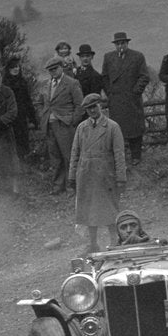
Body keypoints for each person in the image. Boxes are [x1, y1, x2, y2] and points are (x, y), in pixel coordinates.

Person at [69, 93, 127, 253]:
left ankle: (115, 240)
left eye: (94, 107)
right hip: (86, 175)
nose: (92, 111)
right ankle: (93, 243)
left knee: (109, 208)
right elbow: (75, 153)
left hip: (106, 176)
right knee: (88, 211)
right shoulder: (82, 128)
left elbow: (119, 154)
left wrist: (121, 178)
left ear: (100, 106)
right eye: (88, 108)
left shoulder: (112, 127)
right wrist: (72, 176)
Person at [102, 31, 150, 165]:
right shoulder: (108, 57)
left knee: (134, 128)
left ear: (127, 43)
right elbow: (104, 77)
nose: (120, 46)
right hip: (116, 100)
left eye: (122, 43)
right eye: (117, 44)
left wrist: (136, 91)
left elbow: (144, 76)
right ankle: (119, 157)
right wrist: (110, 93)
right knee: (117, 130)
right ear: (115, 45)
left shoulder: (137, 57)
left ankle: (136, 155)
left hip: (131, 99)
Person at [39, 55, 84, 194]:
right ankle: (58, 186)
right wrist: (43, 116)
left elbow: (80, 105)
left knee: (69, 155)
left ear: (61, 68)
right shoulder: (46, 85)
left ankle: (73, 186)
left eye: (55, 68)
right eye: (50, 70)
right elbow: (41, 103)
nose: (53, 72)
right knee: (55, 157)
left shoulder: (71, 83)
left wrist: (72, 121)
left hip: (65, 125)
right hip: (50, 125)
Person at [4, 57, 38, 160]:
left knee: (22, 139)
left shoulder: (22, 82)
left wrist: (32, 118)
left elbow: (27, 100)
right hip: (9, 115)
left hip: (21, 115)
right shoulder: (5, 83)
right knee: (10, 140)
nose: (16, 69)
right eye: (13, 67)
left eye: (17, 67)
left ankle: (22, 163)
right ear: (9, 69)